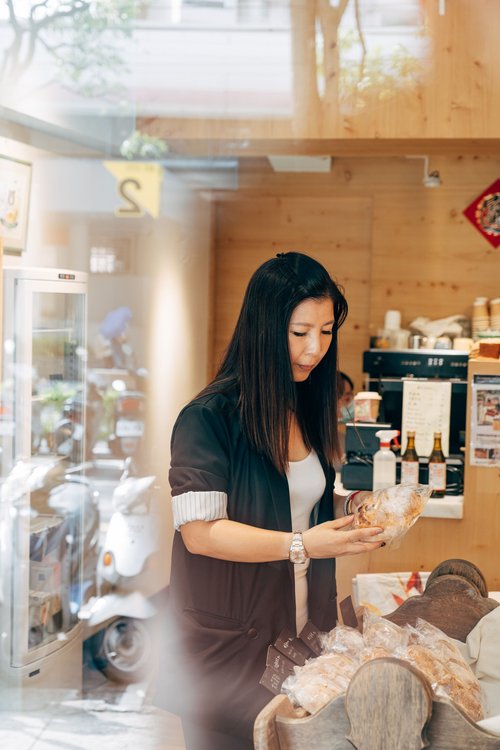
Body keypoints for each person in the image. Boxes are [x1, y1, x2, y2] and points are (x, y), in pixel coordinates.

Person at [155, 252, 384, 750]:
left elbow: (299, 497)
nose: (315, 348)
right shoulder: (208, 418)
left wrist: (352, 507)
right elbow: (201, 533)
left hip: (302, 639)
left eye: (326, 331)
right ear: (263, 328)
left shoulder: (302, 404)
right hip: (232, 653)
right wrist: (303, 545)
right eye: (299, 332)